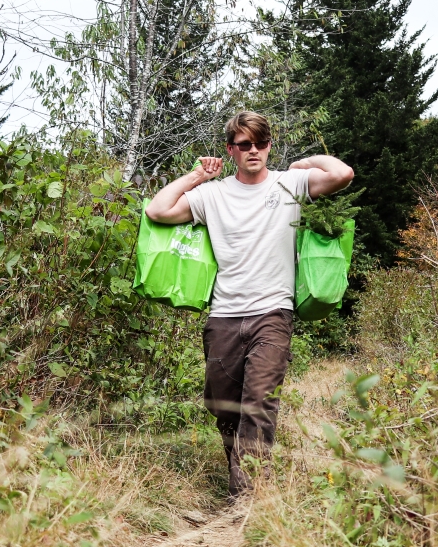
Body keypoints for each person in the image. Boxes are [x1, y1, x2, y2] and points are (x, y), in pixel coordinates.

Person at [146, 111, 355, 500]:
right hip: (224, 316)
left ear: (269, 146)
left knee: (258, 403)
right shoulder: (213, 194)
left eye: (261, 143)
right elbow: (157, 211)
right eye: (245, 144)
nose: (254, 150)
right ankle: (241, 468)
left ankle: (246, 499)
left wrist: (304, 163)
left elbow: (343, 174)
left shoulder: (290, 184)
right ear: (231, 150)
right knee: (223, 406)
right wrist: (197, 176)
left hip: (273, 313)